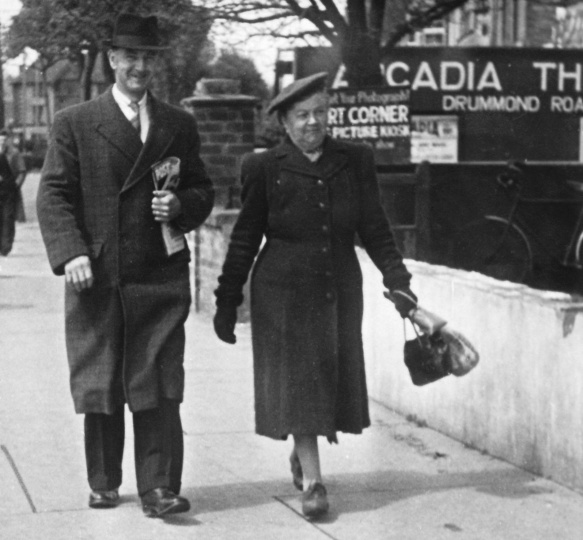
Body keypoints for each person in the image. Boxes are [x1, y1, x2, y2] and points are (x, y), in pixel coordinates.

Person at [212, 72, 418, 519]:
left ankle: (301, 454)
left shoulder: (355, 161)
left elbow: (376, 228)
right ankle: (315, 482)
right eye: (302, 115)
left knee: (324, 384)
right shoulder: (264, 168)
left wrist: (398, 281)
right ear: (284, 122)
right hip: (283, 293)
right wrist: (227, 299)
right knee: (301, 384)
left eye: (320, 113)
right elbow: (245, 238)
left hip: (339, 288)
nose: (312, 123)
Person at [37, 13, 214, 518]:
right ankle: (104, 480)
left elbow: (203, 188)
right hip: (97, 274)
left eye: (147, 57)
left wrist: (182, 206)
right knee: (103, 378)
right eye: (129, 57)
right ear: (112, 61)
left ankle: (159, 487)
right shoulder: (75, 121)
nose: (139, 66)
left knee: (159, 378)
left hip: (159, 274)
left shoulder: (179, 124)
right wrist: (71, 251)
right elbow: (53, 194)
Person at [0, 130, 19, 256]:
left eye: (3, 140)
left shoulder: (9, 154)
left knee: (7, 218)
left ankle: (6, 247)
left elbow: (9, 176)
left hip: (7, 193)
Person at [3, 133, 27, 223]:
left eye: (5, 140)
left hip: (12, 187)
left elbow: (22, 170)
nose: (3, 142)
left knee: (16, 218)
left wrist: (16, 184)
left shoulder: (15, 153)